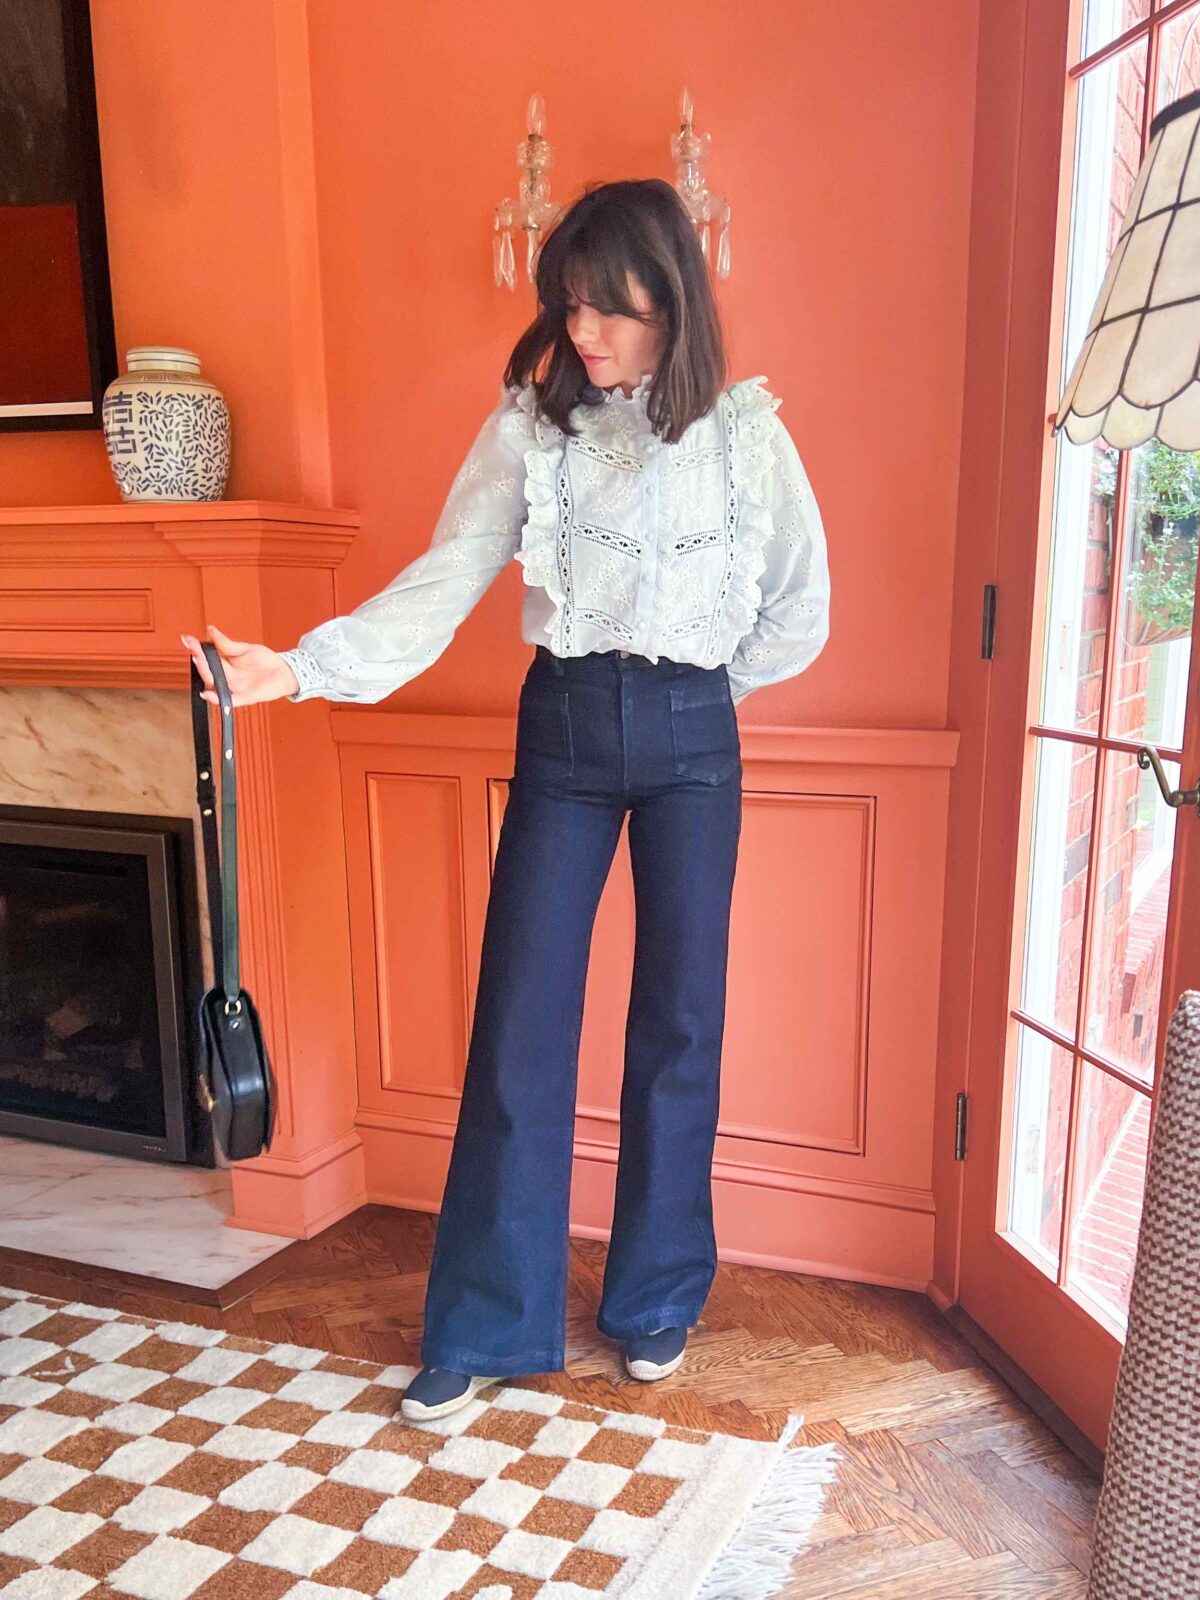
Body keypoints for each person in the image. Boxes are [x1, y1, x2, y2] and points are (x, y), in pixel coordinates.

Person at [182, 177, 830, 1422]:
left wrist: (699, 689)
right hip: (568, 730)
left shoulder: (748, 435)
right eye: (568, 304)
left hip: (699, 737)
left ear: (671, 293)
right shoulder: (538, 426)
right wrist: (303, 666)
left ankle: (651, 1302)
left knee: (679, 1024)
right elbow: (450, 569)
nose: (582, 328)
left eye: (606, 303)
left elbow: (801, 609)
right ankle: (484, 1320)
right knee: (520, 1018)